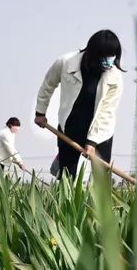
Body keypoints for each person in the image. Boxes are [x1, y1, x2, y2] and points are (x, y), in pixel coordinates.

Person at [33, 30, 125, 179]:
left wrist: (92, 142)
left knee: (101, 180)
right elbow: (48, 85)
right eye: (105, 56)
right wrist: (40, 113)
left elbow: (107, 112)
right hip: (70, 128)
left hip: (101, 133)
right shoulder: (65, 62)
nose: (109, 60)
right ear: (93, 52)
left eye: (112, 56)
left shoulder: (114, 77)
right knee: (67, 178)